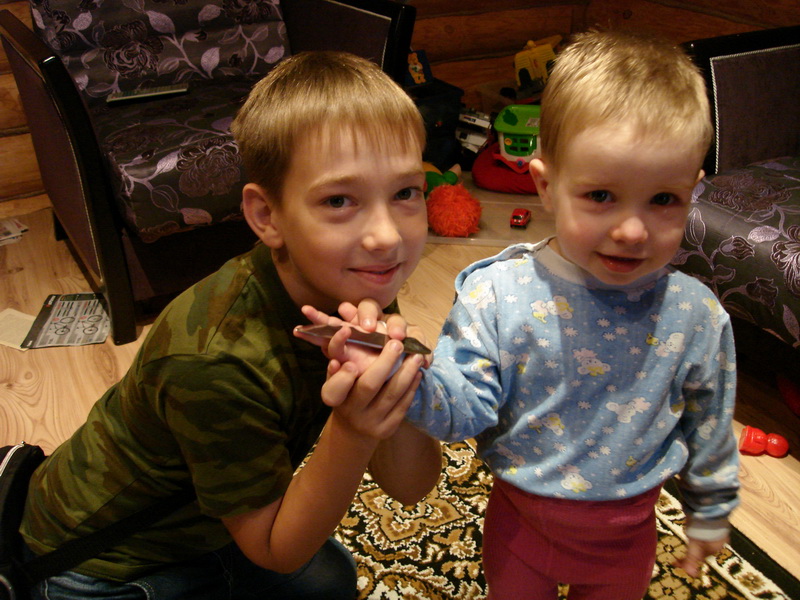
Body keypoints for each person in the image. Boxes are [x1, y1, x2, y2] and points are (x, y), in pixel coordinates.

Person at [309, 30, 740, 600]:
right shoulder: (498, 294)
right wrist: (400, 372)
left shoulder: (696, 315)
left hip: (627, 538)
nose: (633, 230)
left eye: (664, 200)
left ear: (692, 191)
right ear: (546, 185)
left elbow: (710, 422)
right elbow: (464, 410)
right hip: (521, 528)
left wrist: (711, 508)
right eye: (601, 196)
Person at [19, 51, 441, 600]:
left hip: (208, 525)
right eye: (339, 200)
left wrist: (393, 390)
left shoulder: (355, 280)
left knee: (331, 582)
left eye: (405, 192)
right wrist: (354, 430)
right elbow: (275, 550)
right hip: (99, 561)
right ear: (267, 216)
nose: (386, 236)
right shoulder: (214, 362)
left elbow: (411, 488)